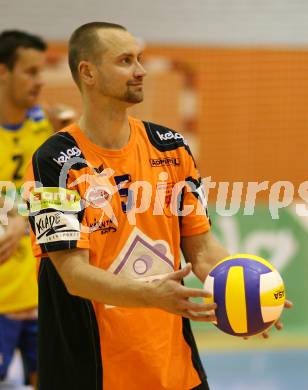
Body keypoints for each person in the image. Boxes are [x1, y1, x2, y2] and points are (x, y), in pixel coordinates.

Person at [27, 22, 290, 390]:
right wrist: (152, 294)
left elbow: (201, 250)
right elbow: (73, 275)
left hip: (175, 370)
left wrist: (248, 290)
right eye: (125, 60)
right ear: (87, 72)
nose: (141, 70)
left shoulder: (169, 145)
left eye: (140, 59)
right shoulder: (53, 160)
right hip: (92, 371)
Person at [0, 30, 53, 387]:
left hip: (38, 296)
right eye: (29, 72)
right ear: (3, 72)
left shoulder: (45, 126)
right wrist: (17, 215)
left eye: (41, 71)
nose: (39, 81)